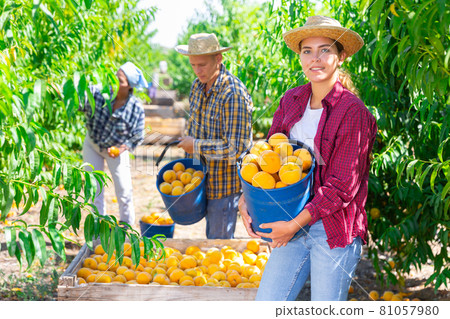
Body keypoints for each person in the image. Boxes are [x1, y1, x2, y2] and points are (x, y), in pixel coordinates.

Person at [238, 16, 377, 301]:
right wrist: (247, 198)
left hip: (333, 227)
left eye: (325, 49)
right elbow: (267, 156)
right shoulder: (291, 100)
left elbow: (342, 187)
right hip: (290, 217)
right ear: (300, 57)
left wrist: (293, 226)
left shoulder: (353, 111)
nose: (316, 58)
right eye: (307, 51)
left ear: (341, 57)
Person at [175, 33, 253, 239]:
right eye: (193, 65)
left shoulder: (233, 94)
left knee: (218, 245)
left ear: (218, 58)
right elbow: (195, 127)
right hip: (201, 180)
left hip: (224, 186)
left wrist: (197, 145)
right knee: (209, 239)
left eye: (202, 65)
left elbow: (237, 149)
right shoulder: (197, 87)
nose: (197, 71)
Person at [80, 62, 147, 227]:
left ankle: (126, 231)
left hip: (116, 149)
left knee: (124, 191)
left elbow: (138, 135)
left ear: (129, 86)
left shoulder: (135, 108)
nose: (115, 82)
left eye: (120, 81)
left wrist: (122, 148)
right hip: (93, 144)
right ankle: (96, 233)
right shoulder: (98, 93)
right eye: (114, 78)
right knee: (94, 189)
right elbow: (77, 101)